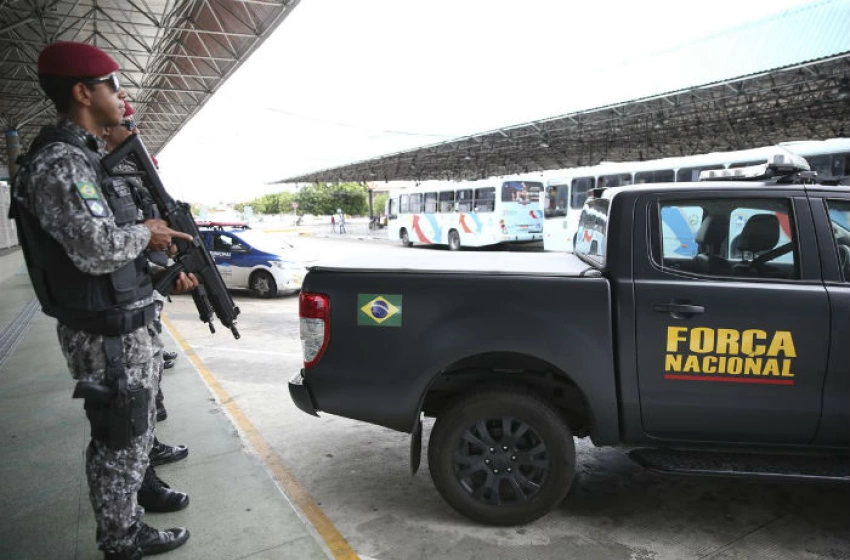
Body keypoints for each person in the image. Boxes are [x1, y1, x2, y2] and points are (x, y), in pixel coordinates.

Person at [11, 41, 194, 559]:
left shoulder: (84, 160)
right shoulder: (61, 163)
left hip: (118, 323)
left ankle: (131, 516)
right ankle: (121, 540)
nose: (121, 96)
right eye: (113, 85)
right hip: (104, 333)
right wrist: (147, 233)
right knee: (119, 439)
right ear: (82, 93)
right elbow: (94, 250)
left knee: (131, 433)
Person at [102, 100, 189, 467]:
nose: (134, 131)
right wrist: (147, 237)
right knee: (124, 413)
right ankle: (136, 483)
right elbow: (96, 247)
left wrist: (158, 266)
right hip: (112, 311)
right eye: (127, 123)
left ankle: (146, 459)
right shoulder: (91, 170)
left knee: (140, 400)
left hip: (133, 295)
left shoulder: (118, 176)